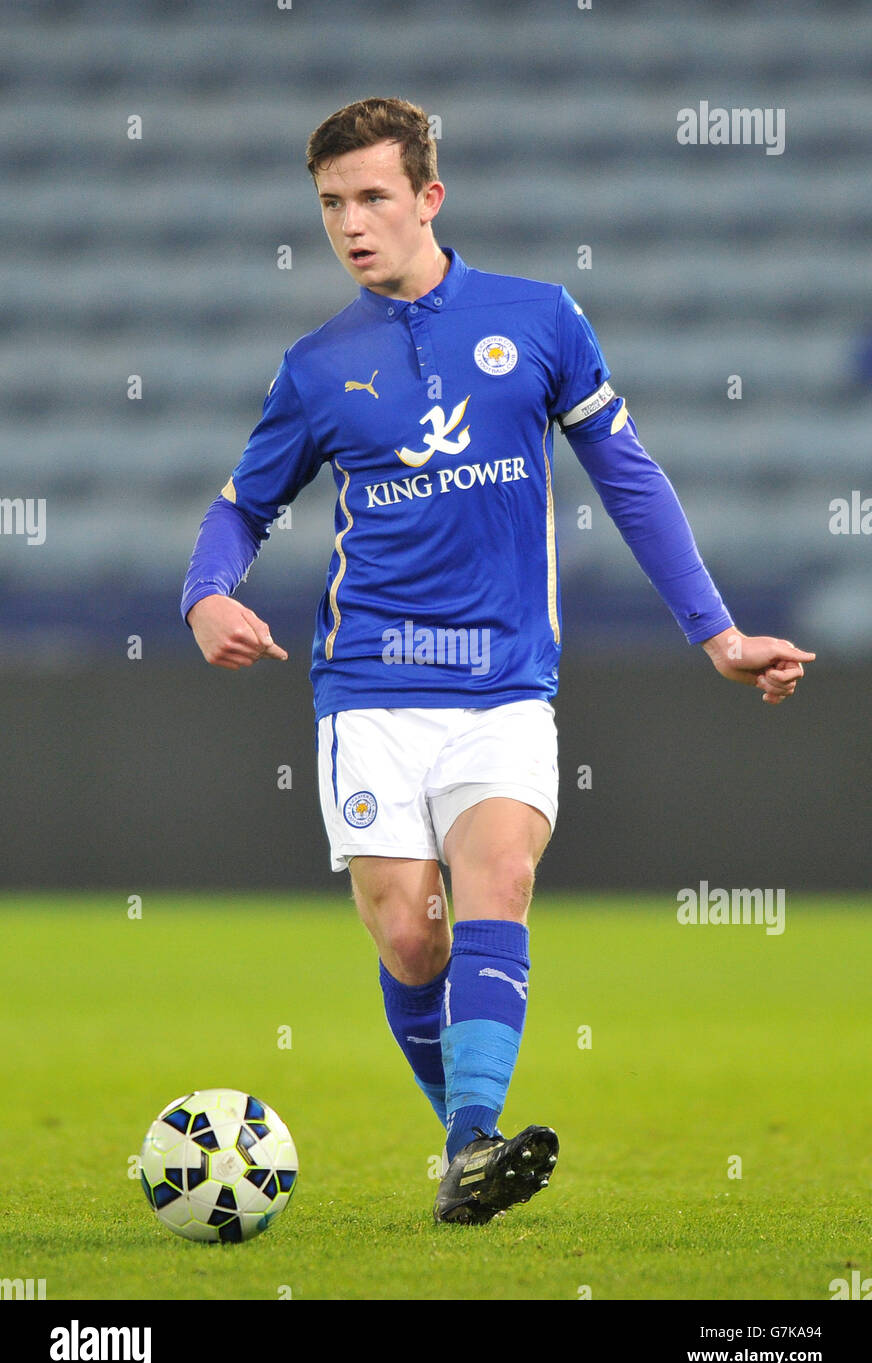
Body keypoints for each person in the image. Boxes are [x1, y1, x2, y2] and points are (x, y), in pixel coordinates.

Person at [180, 97, 814, 1225]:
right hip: (369, 683)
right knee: (409, 933)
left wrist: (716, 632)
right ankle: (462, 1143)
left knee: (497, 883)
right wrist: (203, 596)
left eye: (373, 196)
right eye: (330, 203)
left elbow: (629, 477)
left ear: (429, 197)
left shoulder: (537, 321)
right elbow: (241, 508)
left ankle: (471, 1148)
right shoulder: (317, 368)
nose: (351, 224)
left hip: (502, 684)